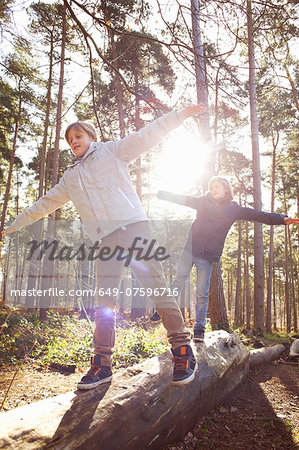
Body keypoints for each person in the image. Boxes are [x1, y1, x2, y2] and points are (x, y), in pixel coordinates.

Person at [2, 104, 207, 389]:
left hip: (135, 228)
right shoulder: (71, 177)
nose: (74, 141)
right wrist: (14, 225)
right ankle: (102, 364)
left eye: (78, 136)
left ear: (91, 136)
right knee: (104, 303)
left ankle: (183, 351)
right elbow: (45, 203)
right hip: (105, 241)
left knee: (156, 289)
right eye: (70, 139)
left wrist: (179, 115)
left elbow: (148, 135)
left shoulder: (112, 151)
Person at [150, 175, 299, 340]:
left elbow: (258, 215)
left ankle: (199, 329)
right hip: (190, 250)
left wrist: (281, 219)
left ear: (226, 189)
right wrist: (159, 194)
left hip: (207, 255)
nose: (213, 189)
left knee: (202, 293)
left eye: (217, 187)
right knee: (178, 281)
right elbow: (182, 199)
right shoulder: (202, 202)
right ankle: (163, 309)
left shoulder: (233, 209)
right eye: (211, 187)